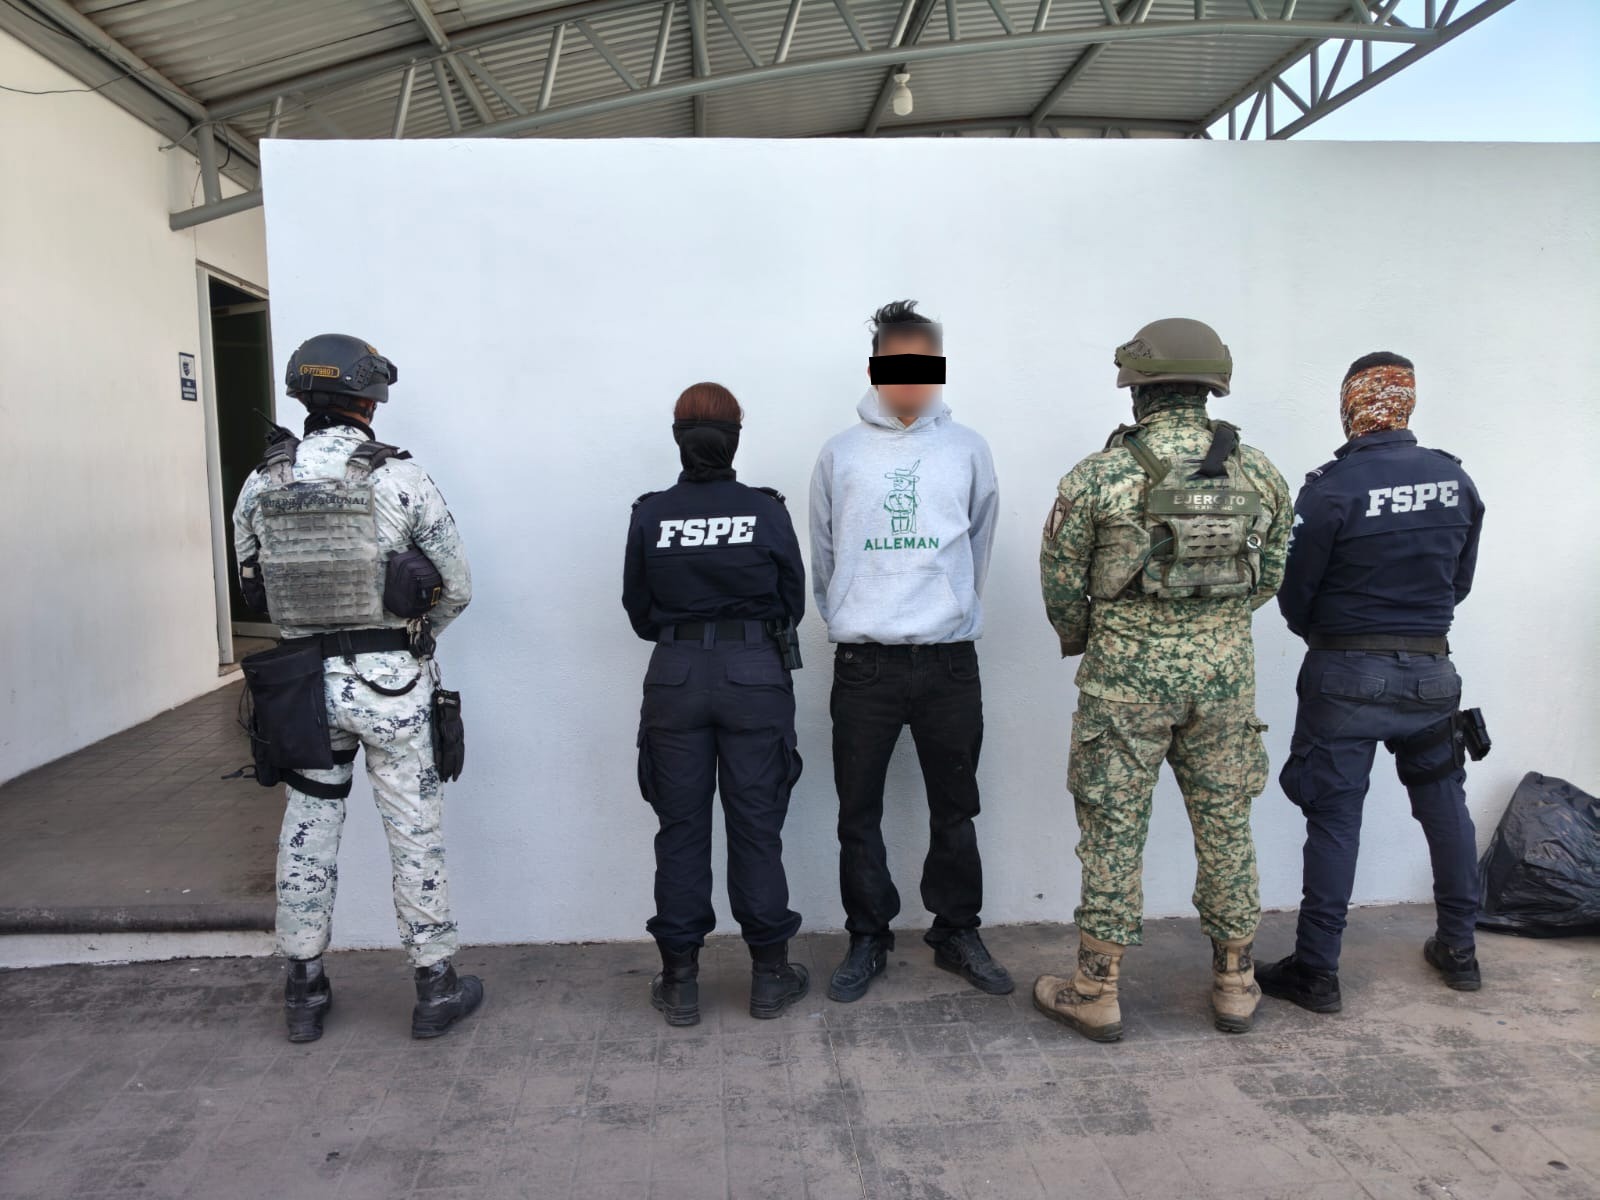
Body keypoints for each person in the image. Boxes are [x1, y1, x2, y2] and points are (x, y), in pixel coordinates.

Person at [1034, 318, 1292, 1041]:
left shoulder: (1098, 476)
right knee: (1227, 825)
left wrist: (1101, 636)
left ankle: (1096, 989)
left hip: (1124, 685)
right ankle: (1236, 983)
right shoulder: (1260, 472)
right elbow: (1271, 575)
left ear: (1137, 390)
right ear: (1212, 388)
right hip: (1225, 682)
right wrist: (1214, 627)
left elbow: (1061, 584)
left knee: (1113, 831)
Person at [233, 333, 482, 1043]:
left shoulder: (260, 483)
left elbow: (251, 586)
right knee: (413, 829)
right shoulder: (399, 477)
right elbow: (457, 587)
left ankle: (303, 990)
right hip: (390, 687)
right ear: (368, 401)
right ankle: (435, 987)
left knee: (308, 830)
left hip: (301, 689)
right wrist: (413, 640)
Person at [1257, 352, 1487, 1012]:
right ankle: (1461, 950)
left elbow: (1295, 593)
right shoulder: (1455, 480)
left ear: (1352, 406)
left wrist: (1338, 638)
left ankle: (1317, 972)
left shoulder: (1332, 488)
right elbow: (1459, 582)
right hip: (1432, 673)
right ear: (1406, 403)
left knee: (1335, 820)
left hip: (1346, 676)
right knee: (1445, 807)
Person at [809, 299, 1011, 1002]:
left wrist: (948, 609)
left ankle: (956, 930)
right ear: (875, 367)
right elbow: (824, 555)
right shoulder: (839, 453)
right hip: (865, 664)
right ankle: (869, 935)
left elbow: (978, 545)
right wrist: (854, 613)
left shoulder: (968, 449)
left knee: (955, 807)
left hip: (948, 660)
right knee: (857, 811)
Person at [623, 382, 810, 1025]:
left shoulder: (651, 514)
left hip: (674, 674)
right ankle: (769, 978)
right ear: (735, 438)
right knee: (756, 826)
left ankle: (680, 982)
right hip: (754, 673)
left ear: (679, 438)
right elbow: (792, 600)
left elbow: (638, 609)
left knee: (680, 829)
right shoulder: (765, 510)